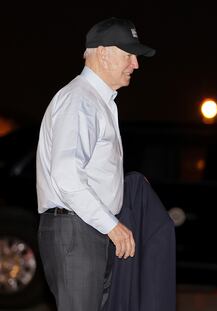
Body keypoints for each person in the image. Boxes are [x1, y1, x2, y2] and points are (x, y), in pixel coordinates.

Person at [36, 17, 155, 311]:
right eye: (129, 55)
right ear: (103, 52)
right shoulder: (81, 100)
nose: (135, 64)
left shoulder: (98, 101)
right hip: (77, 231)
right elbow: (67, 176)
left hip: (87, 229)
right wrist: (112, 226)